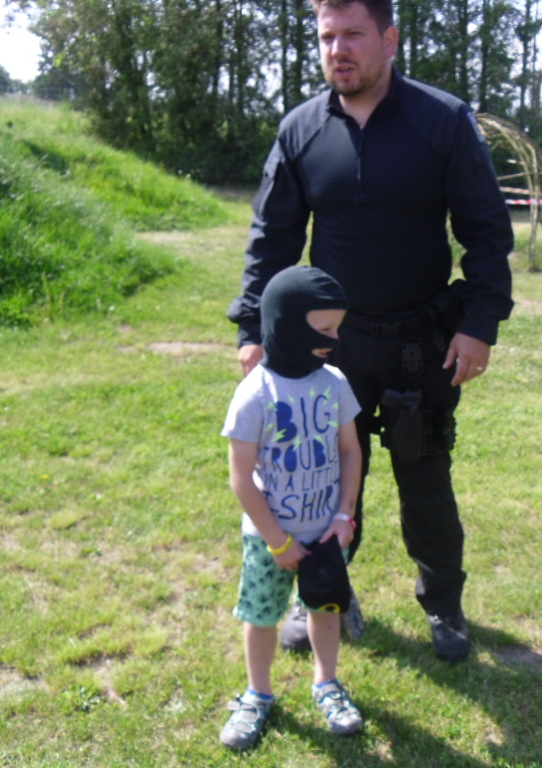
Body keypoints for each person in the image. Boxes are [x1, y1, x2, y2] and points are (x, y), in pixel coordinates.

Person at [227, 0, 515, 663]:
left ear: (390, 39)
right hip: (328, 349)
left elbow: (486, 230)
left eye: (353, 34)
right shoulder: (302, 130)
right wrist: (252, 328)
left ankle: (443, 604)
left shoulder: (441, 121)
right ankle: (327, 595)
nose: (339, 49)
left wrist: (479, 325)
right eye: (328, 36)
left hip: (420, 343)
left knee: (424, 477)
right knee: (321, 477)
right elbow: (272, 238)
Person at [220, 266, 365, 751]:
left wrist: (344, 515)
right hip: (270, 539)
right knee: (262, 616)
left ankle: (327, 683)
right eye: (324, 329)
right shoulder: (255, 394)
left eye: (337, 328)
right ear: (287, 324)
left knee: (325, 610)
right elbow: (241, 478)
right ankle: (257, 694)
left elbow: (351, 451)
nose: (335, 339)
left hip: (325, 532)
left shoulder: (335, 383)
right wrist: (278, 541)